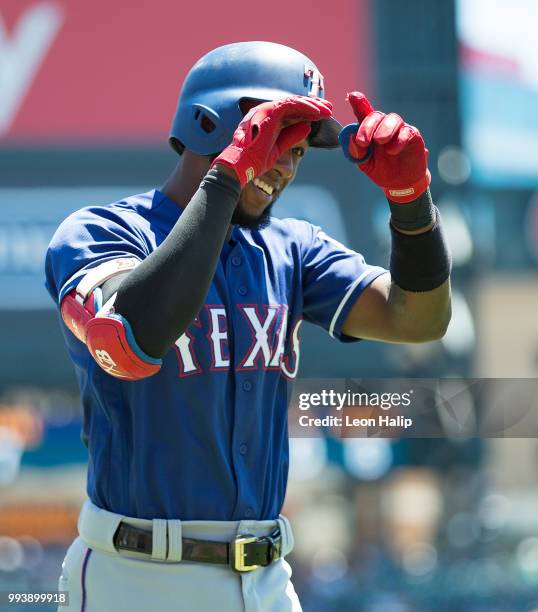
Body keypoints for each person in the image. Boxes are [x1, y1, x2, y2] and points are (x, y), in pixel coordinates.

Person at [45, 41, 451, 611]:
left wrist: (412, 202)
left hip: (266, 580)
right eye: (278, 139)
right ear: (209, 124)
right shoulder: (101, 232)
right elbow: (127, 342)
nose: (286, 165)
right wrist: (228, 175)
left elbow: (419, 319)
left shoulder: (294, 248)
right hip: (137, 575)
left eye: (300, 151)